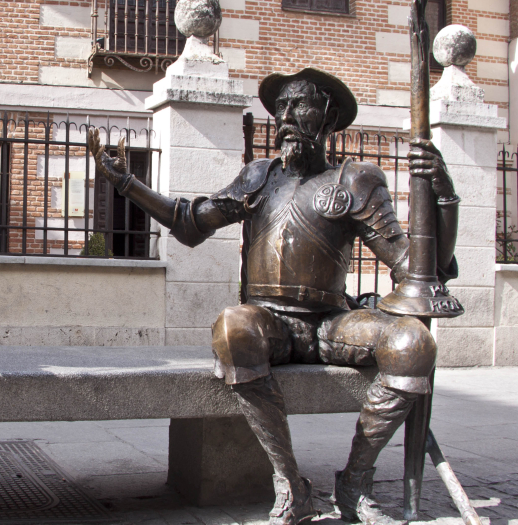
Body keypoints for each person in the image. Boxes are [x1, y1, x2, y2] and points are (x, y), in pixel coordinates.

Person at [87, 67, 459, 525]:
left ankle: (356, 480)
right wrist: (127, 185)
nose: (285, 116)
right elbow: (189, 222)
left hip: (331, 322)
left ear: (328, 117)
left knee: (413, 343)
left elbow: (416, 267)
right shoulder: (257, 177)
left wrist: (444, 198)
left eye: (299, 104)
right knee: (232, 327)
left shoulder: (355, 181)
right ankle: (292, 484)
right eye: (280, 106)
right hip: (270, 322)